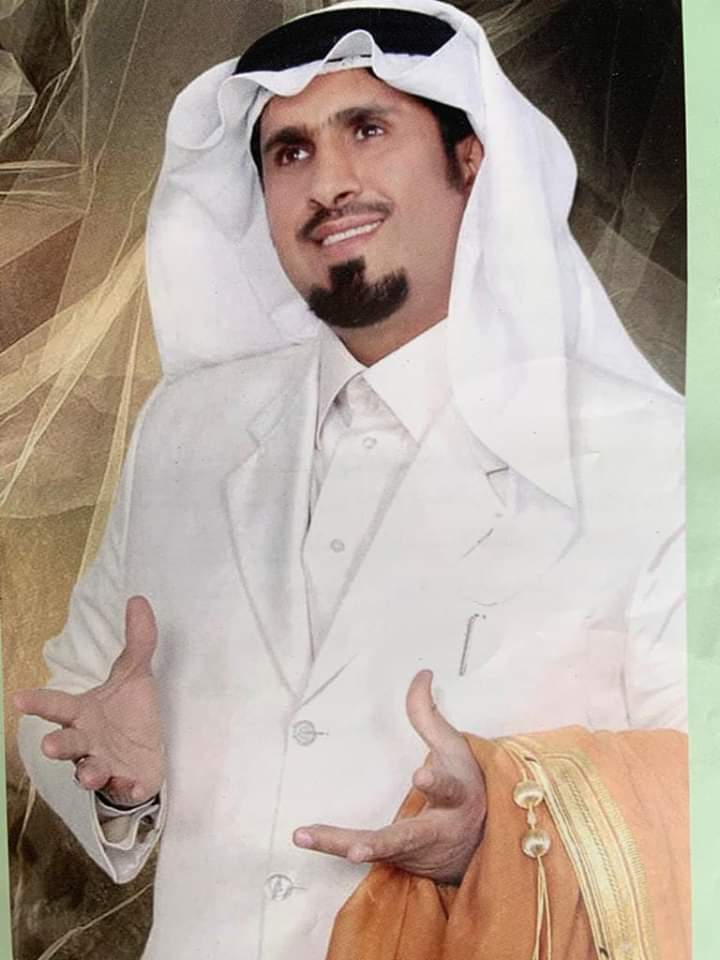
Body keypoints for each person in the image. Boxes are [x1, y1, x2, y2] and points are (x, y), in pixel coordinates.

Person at [14, 2, 687, 959]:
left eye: (367, 130)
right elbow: (75, 698)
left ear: (471, 160)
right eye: (288, 152)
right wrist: (123, 785)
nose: (327, 182)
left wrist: (498, 832)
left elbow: (697, 794)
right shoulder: (188, 431)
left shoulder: (646, 453)